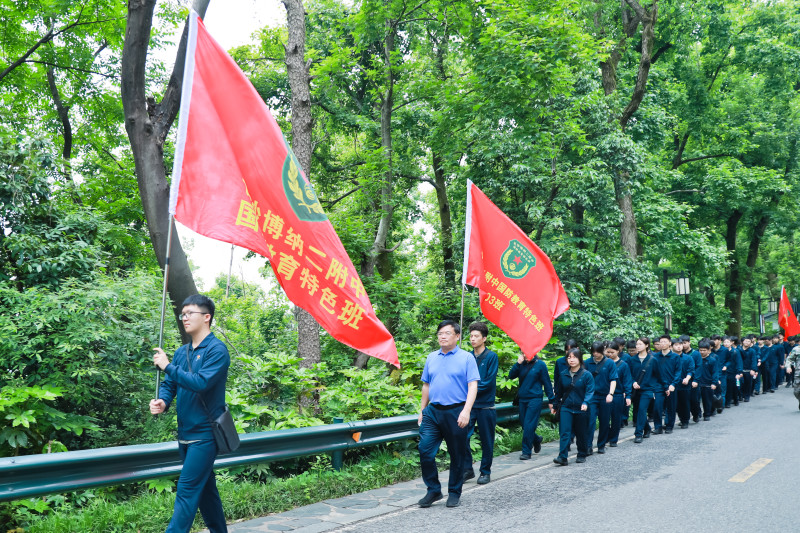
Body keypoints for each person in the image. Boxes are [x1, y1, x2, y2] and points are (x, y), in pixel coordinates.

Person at [150, 295, 230, 533]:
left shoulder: (217, 350)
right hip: (185, 434)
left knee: (186, 491)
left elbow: (200, 382)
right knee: (206, 491)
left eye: (189, 313)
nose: (184, 318)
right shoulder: (181, 352)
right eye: (182, 314)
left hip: (205, 435)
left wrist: (167, 366)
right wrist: (163, 401)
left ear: (207, 317)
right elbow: (170, 384)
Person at [417, 320, 479, 509]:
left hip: (456, 411)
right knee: (425, 450)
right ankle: (433, 490)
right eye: (439, 334)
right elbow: (426, 385)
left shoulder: (466, 358)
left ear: (457, 336)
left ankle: (454, 492)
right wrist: (422, 410)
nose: (442, 336)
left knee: (456, 454)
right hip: (433, 412)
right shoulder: (431, 357)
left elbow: (472, 385)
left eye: (447, 333)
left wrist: (466, 411)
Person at [463, 322, 498, 485]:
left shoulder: (491, 357)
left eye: (476, 336)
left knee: (486, 440)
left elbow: (488, 382)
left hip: (486, 405)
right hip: (469, 406)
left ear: (484, 338)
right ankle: (467, 469)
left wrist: (470, 388)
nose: (473, 339)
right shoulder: (467, 356)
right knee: (462, 437)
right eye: (471, 336)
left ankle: (485, 471)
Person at [508, 350, 554, 460]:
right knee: (524, 424)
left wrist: (552, 400)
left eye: (527, 353)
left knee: (529, 425)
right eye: (523, 353)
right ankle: (537, 439)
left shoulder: (540, 365)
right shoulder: (521, 364)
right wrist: (518, 363)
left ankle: (526, 451)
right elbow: (511, 376)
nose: (525, 355)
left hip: (535, 398)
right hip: (522, 399)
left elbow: (547, 383)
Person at [552, 348, 594, 465]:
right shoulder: (563, 374)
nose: (571, 360)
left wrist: (586, 402)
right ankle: (562, 457)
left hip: (582, 408)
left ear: (579, 359)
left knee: (581, 432)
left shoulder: (586, 375)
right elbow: (559, 392)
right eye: (569, 357)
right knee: (565, 432)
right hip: (567, 407)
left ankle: (581, 453)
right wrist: (555, 405)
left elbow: (590, 391)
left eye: (574, 357)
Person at [585, 341, 617, 454]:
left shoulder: (609, 363)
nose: (596, 354)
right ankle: (588, 446)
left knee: (604, 421)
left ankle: (601, 445)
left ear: (602, 350)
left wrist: (611, 394)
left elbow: (613, 380)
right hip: (591, 397)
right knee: (590, 421)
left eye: (598, 352)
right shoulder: (587, 363)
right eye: (593, 352)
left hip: (605, 396)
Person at [629, 337, 663, 443]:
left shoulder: (653, 360)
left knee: (642, 410)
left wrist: (654, 388)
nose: (637, 346)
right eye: (637, 344)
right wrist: (633, 382)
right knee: (639, 411)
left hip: (647, 390)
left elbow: (658, 376)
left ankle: (638, 434)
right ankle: (647, 428)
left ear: (647, 345)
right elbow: (628, 374)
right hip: (635, 389)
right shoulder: (632, 360)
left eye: (640, 344)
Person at [605, 341, 631, 447]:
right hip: (605, 395)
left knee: (616, 418)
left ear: (618, 351)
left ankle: (613, 439)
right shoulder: (604, 363)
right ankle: (606, 436)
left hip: (618, 395)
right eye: (608, 352)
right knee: (605, 418)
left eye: (612, 352)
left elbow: (627, 381)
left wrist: (628, 395)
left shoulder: (623, 365)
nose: (610, 354)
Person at [656, 335, 680, 433]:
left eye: (665, 342)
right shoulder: (656, 357)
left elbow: (678, 372)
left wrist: (673, 384)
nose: (662, 344)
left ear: (670, 343)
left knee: (671, 406)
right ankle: (658, 427)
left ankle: (669, 426)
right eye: (661, 342)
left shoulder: (675, 357)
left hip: (671, 385)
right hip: (659, 385)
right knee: (657, 406)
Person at [692, 339, 720, 421]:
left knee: (707, 400)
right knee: (695, 400)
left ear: (709, 350)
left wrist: (714, 383)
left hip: (708, 383)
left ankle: (707, 414)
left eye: (704, 350)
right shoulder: (695, 359)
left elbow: (715, 372)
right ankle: (697, 414)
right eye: (700, 350)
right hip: (697, 383)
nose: (702, 352)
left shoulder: (712, 360)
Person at [680, 335, 702, 422]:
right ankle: (684, 418)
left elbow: (699, 367)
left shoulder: (695, 354)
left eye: (685, 343)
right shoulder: (679, 354)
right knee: (683, 401)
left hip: (693, 380)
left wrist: (696, 380)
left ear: (689, 342)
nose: (683, 345)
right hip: (682, 381)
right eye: (682, 343)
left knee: (694, 399)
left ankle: (696, 414)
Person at [675, 337, 695, 429]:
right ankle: (680, 419)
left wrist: (687, 378)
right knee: (676, 404)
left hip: (684, 385)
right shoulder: (671, 358)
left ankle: (685, 421)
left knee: (685, 403)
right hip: (673, 385)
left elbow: (691, 370)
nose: (679, 347)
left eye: (680, 345)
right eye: (676, 345)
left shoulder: (688, 358)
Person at [722, 336, 743, 408]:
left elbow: (739, 361)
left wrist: (739, 372)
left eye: (728, 342)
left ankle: (735, 399)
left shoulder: (735, 351)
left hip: (733, 371)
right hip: (724, 371)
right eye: (724, 342)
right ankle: (727, 402)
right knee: (726, 387)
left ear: (731, 342)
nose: (726, 344)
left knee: (733, 386)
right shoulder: (723, 351)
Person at [740, 336, 758, 402]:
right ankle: (741, 395)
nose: (747, 342)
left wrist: (753, 369)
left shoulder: (752, 351)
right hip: (740, 369)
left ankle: (747, 396)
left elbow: (754, 360)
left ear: (751, 343)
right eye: (745, 341)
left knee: (748, 383)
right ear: (742, 341)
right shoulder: (739, 349)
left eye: (748, 341)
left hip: (749, 370)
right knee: (741, 383)